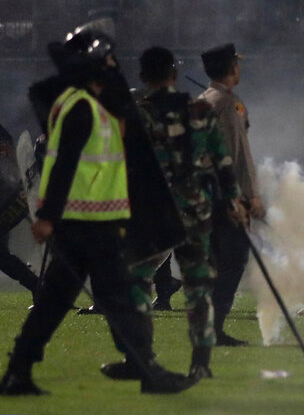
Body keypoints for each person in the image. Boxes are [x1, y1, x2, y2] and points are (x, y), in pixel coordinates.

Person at [0, 29, 195, 396]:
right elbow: (65, 166)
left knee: (53, 305)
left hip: (87, 224)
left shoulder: (84, 103)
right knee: (119, 299)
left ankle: (17, 373)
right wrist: (47, 216)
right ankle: (147, 370)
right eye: (106, 61)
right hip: (88, 225)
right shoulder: (82, 107)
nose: (112, 67)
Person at [100, 47, 246, 382]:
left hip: (154, 212)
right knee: (199, 288)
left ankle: (141, 357)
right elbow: (223, 163)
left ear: (143, 76)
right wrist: (233, 202)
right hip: (194, 210)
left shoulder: (136, 114)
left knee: (135, 281)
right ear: (175, 74)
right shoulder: (198, 110)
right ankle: (201, 361)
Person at [200, 43, 265, 347]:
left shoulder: (205, 100)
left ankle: (207, 327)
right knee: (234, 260)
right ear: (232, 68)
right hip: (226, 196)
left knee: (215, 263)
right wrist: (249, 196)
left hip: (205, 195)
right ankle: (212, 328)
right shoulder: (228, 104)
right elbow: (236, 155)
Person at [0, 123, 38, 294]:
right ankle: (38, 286)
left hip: (5, 197)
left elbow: (8, 152)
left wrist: (20, 180)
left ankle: (38, 286)